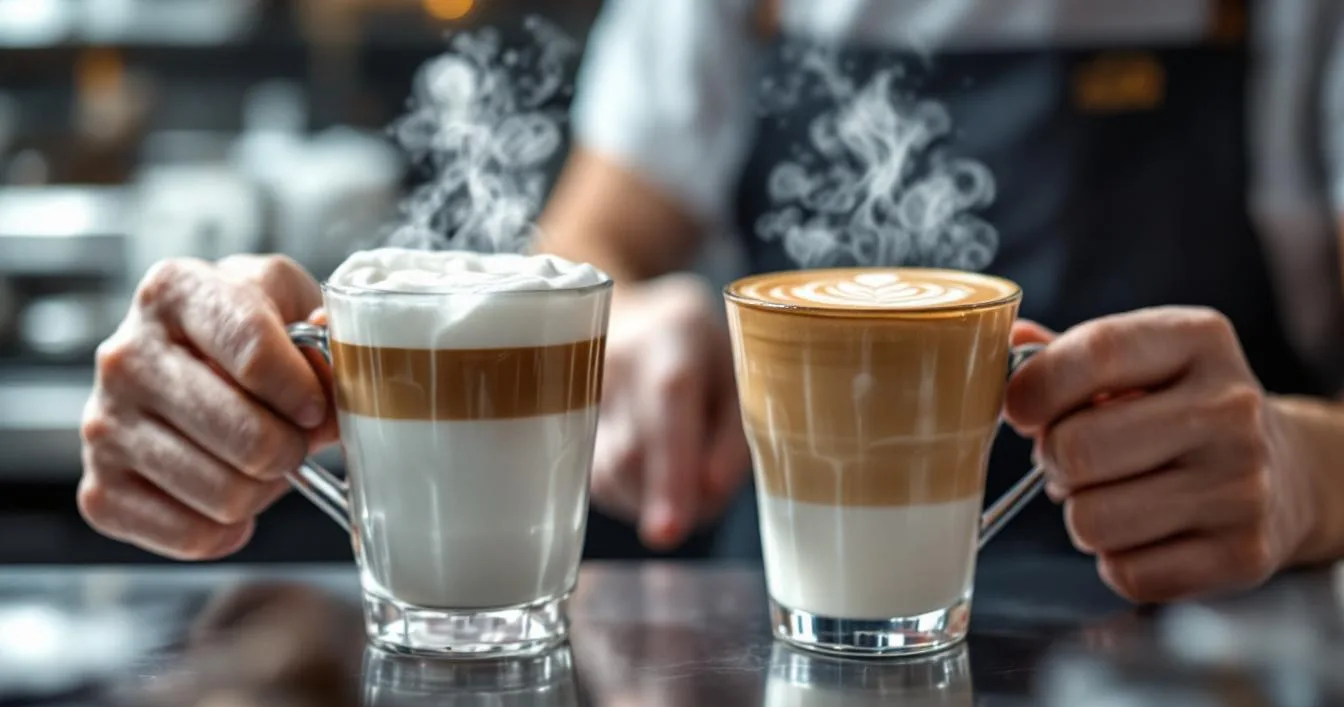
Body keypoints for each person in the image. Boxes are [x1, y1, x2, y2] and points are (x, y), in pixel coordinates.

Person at [79, 0, 1344, 604]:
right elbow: (588, 252)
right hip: (789, 651)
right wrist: (631, 321)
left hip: (1225, 659)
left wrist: (1305, 471)